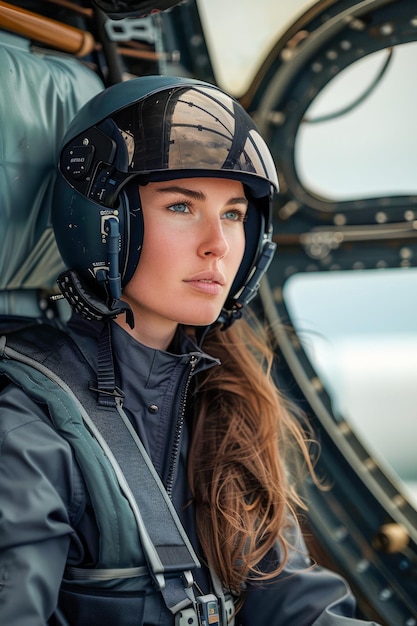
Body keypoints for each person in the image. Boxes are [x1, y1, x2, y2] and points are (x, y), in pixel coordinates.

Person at [0, 75, 381, 626]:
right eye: (181, 207)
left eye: (232, 213)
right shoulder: (27, 433)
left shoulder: (225, 404)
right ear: (103, 221)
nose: (219, 245)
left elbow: (295, 606)